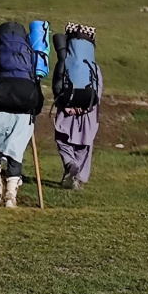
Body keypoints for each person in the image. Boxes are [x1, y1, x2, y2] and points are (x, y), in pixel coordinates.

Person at [0, 20, 44, 207]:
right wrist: (34, 110)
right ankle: (11, 195)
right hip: (25, 105)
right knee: (16, 150)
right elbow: (37, 82)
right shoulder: (30, 51)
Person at [52, 23, 103, 190]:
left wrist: (66, 107)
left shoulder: (65, 61)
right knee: (84, 146)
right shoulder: (93, 67)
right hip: (88, 112)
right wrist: (87, 108)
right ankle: (78, 179)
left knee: (63, 140)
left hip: (67, 110)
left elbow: (57, 87)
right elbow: (98, 93)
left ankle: (70, 164)